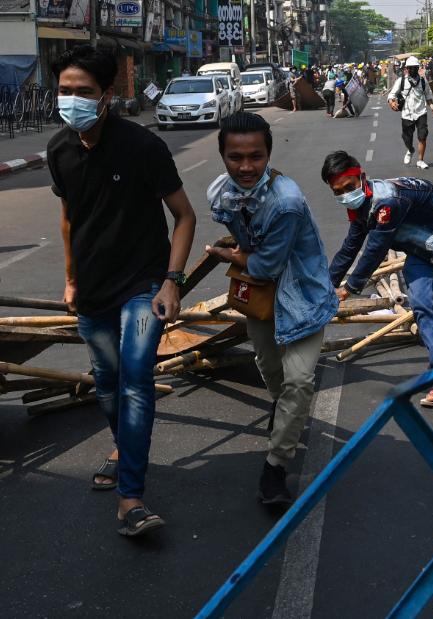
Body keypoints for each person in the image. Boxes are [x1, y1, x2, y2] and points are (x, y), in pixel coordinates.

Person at [46, 45, 197, 537]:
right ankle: (125, 447)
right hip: (92, 287)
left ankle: (130, 496)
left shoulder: (143, 146)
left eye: (83, 93)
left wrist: (172, 284)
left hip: (143, 284)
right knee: (107, 384)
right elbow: (69, 219)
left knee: (135, 376)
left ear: (107, 96)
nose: (72, 101)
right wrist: (70, 279)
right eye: (65, 91)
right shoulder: (59, 150)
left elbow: (185, 216)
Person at [205, 112, 338, 506]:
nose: (246, 167)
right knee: (270, 369)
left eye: (256, 157)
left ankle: (276, 466)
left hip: (303, 295)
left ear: (268, 156)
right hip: (260, 298)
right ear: (223, 156)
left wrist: (224, 254)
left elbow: (265, 264)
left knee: (298, 382)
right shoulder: (221, 192)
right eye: (236, 157)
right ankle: (285, 415)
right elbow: (246, 242)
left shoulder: (288, 203)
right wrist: (239, 248)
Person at [321, 151, 433, 408]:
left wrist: (348, 289)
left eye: (349, 187)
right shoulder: (359, 208)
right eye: (337, 192)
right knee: (421, 305)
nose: (345, 194)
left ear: (362, 178)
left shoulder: (388, 201)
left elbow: (375, 250)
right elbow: (349, 248)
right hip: (419, 245)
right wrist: (326, 284)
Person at [388, 56, 433, 170]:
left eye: (414, 68)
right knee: (407, 138)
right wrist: (391, 103)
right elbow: (391, 95)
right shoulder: (401, 81)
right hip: (406, 114)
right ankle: (410, 149)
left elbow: (428, 97)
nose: (411, 70)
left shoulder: (422, 81)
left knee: (422, 136)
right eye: (409, 68)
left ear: (417, 68)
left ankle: (420, 160)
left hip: (421, 112)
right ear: (406, 69)